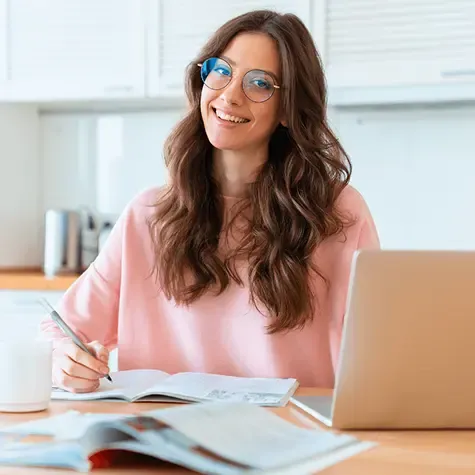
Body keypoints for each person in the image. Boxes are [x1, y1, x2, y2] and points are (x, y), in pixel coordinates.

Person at [40, 9, 379, 393]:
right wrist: (64, 359)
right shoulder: (148, 215)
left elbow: (381, 354)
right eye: (222, 70)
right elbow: (60, 330)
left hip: (289, 440)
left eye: (260, 83)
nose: (230, 95)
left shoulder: (338, 213)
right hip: (169, 440)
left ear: (287, 109)